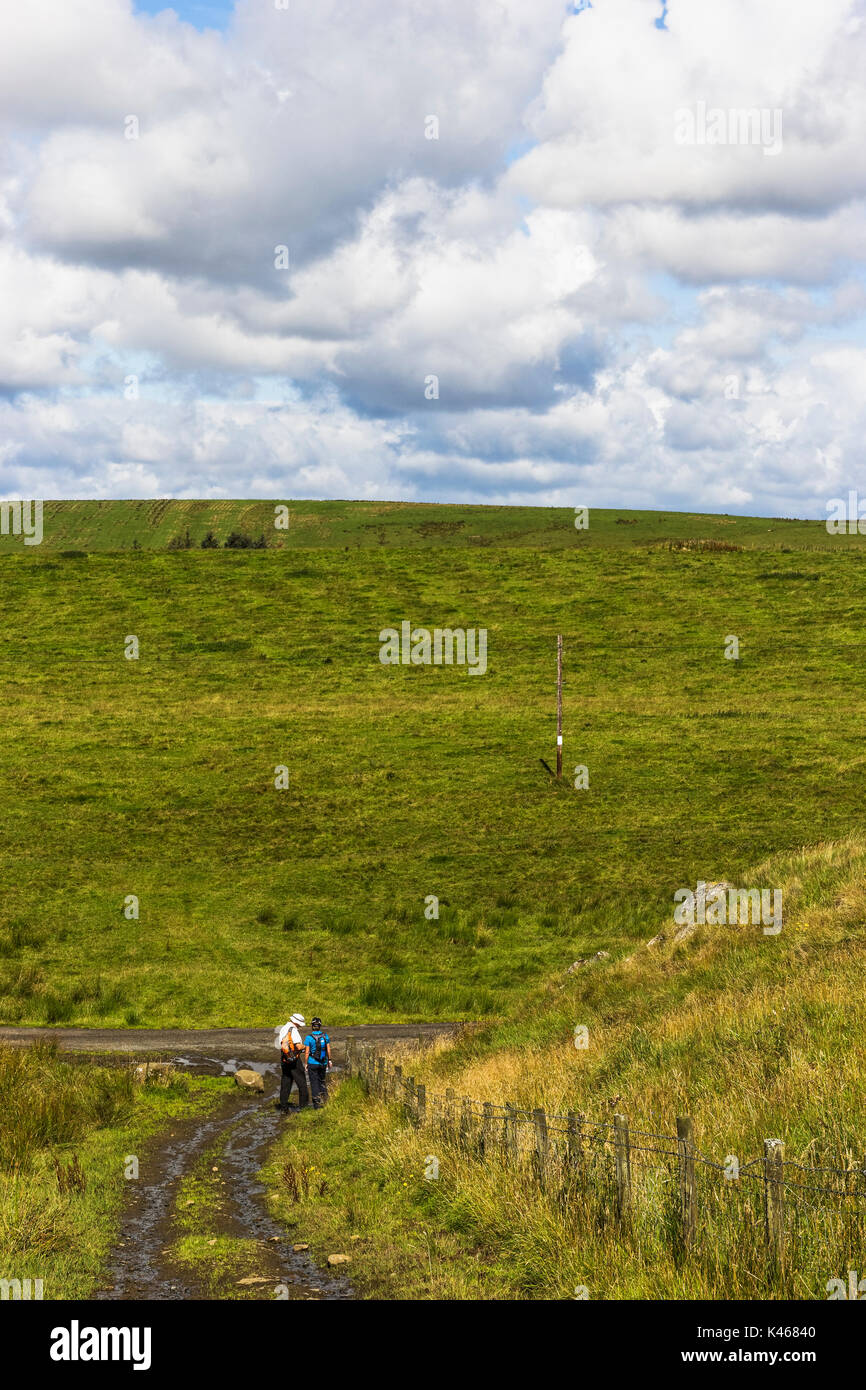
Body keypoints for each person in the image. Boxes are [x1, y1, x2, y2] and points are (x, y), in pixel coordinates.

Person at [276, 1013, 309, 1113]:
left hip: (284, 1058)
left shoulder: (284, 1028)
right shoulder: (293, 1030)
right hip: (294, 1059)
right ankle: (304, 1107)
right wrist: (307, 1048)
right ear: (297, 1022)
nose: (300, 1026)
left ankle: (283, 1106)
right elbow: (298, 1046)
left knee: (286, 1081)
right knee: (302, 1083)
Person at [304, 1017, 332, 1108]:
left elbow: (307, 1052)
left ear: (312, 1026)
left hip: (312, 1063)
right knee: (322, 1081)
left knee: (314, 1083)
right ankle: (325, 1100)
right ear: (320, 1026)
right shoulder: (325, 1036)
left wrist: (306, 1063)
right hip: (323, 1063)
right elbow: (328, 1049)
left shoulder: (309, 1038)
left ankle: (317, 1104)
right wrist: (329, 1060)